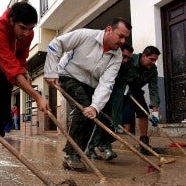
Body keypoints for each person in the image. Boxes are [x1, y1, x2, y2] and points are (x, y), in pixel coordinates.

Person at [0, 2, 49, 182]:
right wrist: (37, 96)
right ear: (11, 21)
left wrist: (25, 69)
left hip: (1, 77)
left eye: (30, 29)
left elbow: (20, 59)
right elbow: (11, 68)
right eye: (22, 28)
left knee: (3, 117)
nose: (26, 33)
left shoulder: (28, 33)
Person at [44, 18, 131, 171]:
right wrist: (51, 71)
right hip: (68, 76)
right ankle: (71, 154)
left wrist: (95, 106)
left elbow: (107, 83)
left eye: (126, 38)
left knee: (92, 113)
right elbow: (56, 44)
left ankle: (76, 153)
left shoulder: (116, 56)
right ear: (109, 30)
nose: (123, 41)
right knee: (83, 106)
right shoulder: (85, 35)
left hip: (91, 85)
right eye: (120, 36)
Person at [85, 42, 134, 160]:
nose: (125, 60)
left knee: (112, 121)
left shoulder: (126, 67)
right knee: (100, 121)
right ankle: (91, 148)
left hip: (113, 95)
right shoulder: (105, 60)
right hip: (98, 95)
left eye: (128, 58)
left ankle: (105, 146)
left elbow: (120, 85)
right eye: (124, 56)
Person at [111, 45, 161, 154]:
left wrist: (155, 111)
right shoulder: (129, 58)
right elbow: (115, 71)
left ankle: (144, 143)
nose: (153, 62)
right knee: (112, 114)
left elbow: (153, 89)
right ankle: (104, 142)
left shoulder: (153, 70)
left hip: (136, 90)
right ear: (143, 56)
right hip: (120, 87)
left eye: (155, 60)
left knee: (143, 114)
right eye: (151, 59)